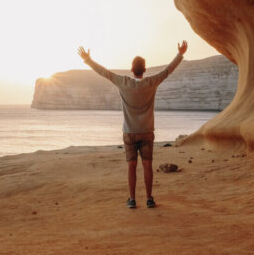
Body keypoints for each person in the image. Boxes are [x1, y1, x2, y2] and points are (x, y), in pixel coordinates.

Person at [77, 41, 188, 209]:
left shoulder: (123, 82)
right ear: (144, 69)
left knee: (131, 166)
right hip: (147, 131)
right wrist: (180, 54)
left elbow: (104, 73)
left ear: (131, 69)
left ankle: (132, 199)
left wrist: (88, 59)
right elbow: (167, 71)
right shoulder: (151, 82)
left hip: (129, 132)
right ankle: (149, 198)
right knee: (147, 166)